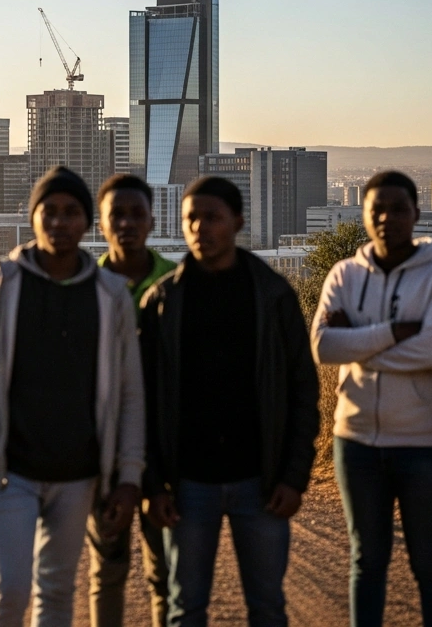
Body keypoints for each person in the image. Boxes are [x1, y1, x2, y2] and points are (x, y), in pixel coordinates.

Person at [0, 166, 145, 627]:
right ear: (32, 218)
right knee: (9, 591)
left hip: (79, 474)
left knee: (56, 593)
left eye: (71, 212)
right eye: (48, 211)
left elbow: (130, 392)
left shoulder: (110, 295)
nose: (59, 222)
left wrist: (129, 474)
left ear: (87, 223)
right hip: (11, 470)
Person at [140, 176, 320, 627]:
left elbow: (303, 389)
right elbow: (140, 401)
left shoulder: (273, 295)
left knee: (267, 608)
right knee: (185, 609)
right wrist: (152, 483)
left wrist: (294, 476)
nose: (200, 228)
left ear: (238, 221)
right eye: (191, 219)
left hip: (259, 480)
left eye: (212, 217)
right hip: (188, 484)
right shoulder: (162, 302)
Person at [311, 171, 432, 627]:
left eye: (398, 208)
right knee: (366, 561)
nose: (386, 218)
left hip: (425, 443)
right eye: (376, 208)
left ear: (417, 214)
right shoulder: (344, 274)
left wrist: (355, 341)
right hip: (355, 440)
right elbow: (323, 348)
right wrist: (393, 334)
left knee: (430, 561)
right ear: (362, 214)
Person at [88, 174, 179, 627]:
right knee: (109, 567)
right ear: (101, 225)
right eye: (115, 215)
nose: (126, 223)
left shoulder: (179, 284)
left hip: (168, 448)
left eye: (135, 214)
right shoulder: (88, 289)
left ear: (152, 219)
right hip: (106, 449)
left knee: (166, 573)